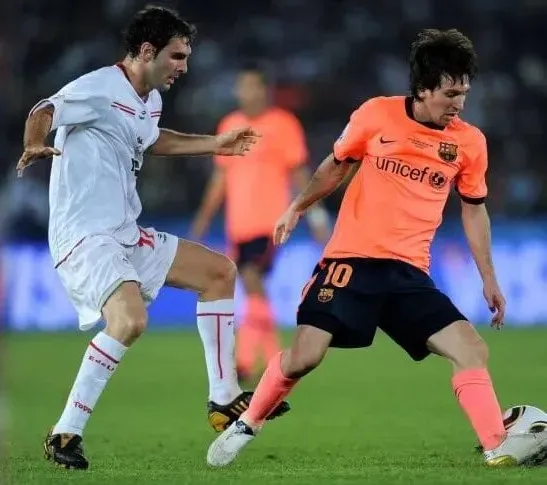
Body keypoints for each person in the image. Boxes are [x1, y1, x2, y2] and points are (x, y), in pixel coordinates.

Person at [206, 28, 547, 468]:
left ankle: (495, 444)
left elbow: (474, 210)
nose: (458, 103)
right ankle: (248, 422)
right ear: (423, 88)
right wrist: (298, 207)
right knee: (304, 358)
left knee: (471, 349)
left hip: (408, 273)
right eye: (449, 93)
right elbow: (335, 167)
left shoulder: (469, 142)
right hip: (351, 259)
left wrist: (489, 277)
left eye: (463, 93)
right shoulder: (376, 115)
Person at [16, 6, 288, 471]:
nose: (183, 66)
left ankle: (223, 400)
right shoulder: (99, 87)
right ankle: (66, 431)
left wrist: (214, 144)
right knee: (130, 320)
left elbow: (152, 138)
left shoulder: (149, 101)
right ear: (147, 52)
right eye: (177, 56)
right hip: (85, 237)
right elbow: (45, 109)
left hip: (125, 233)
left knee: (219, 272)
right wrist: (34, 142)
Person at [191, 64, 330, 382]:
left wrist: (317, 216)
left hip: (270, 225)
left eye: (252, 87)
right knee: (255, 293)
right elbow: (220, 179)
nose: (246, 93)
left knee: (252, 280)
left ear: (265, 90)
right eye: (241, 87)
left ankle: (244, 361)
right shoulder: (230, 124)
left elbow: (300, 175)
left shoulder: (283, 125)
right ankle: (274, 362)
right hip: (236, 226)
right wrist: (203, 219)